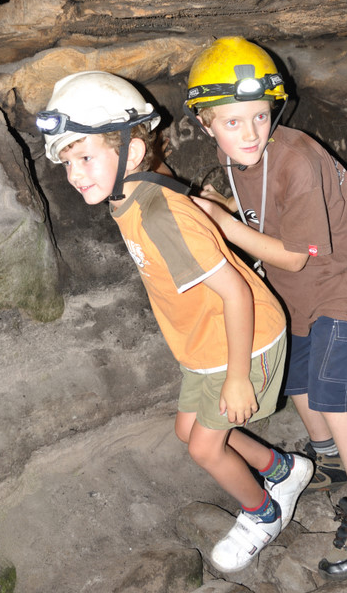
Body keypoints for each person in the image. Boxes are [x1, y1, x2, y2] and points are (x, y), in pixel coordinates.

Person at [36, 70, 313, 575]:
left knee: (206, 449)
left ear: (132, 152)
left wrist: (235, 378)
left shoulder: (160, 214)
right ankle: (284, 469)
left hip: (243, 343)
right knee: (191, 433)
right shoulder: (129, 198)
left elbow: (234, 292)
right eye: (67, 161)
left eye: (86, 156)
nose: (75, 174)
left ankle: (264, 513)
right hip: (207, 344)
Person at [184, 36, 347, 580]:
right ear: (206, 123)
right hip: (301, 283)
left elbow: (292, 255)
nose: (250, 132)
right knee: (299, 380)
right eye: (233, 121)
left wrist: (223, 223)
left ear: (273, 112)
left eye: (260, 117)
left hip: (344, 282)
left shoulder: (296, 161)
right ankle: (329, 458)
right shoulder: (238, 156)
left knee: (334, 396)